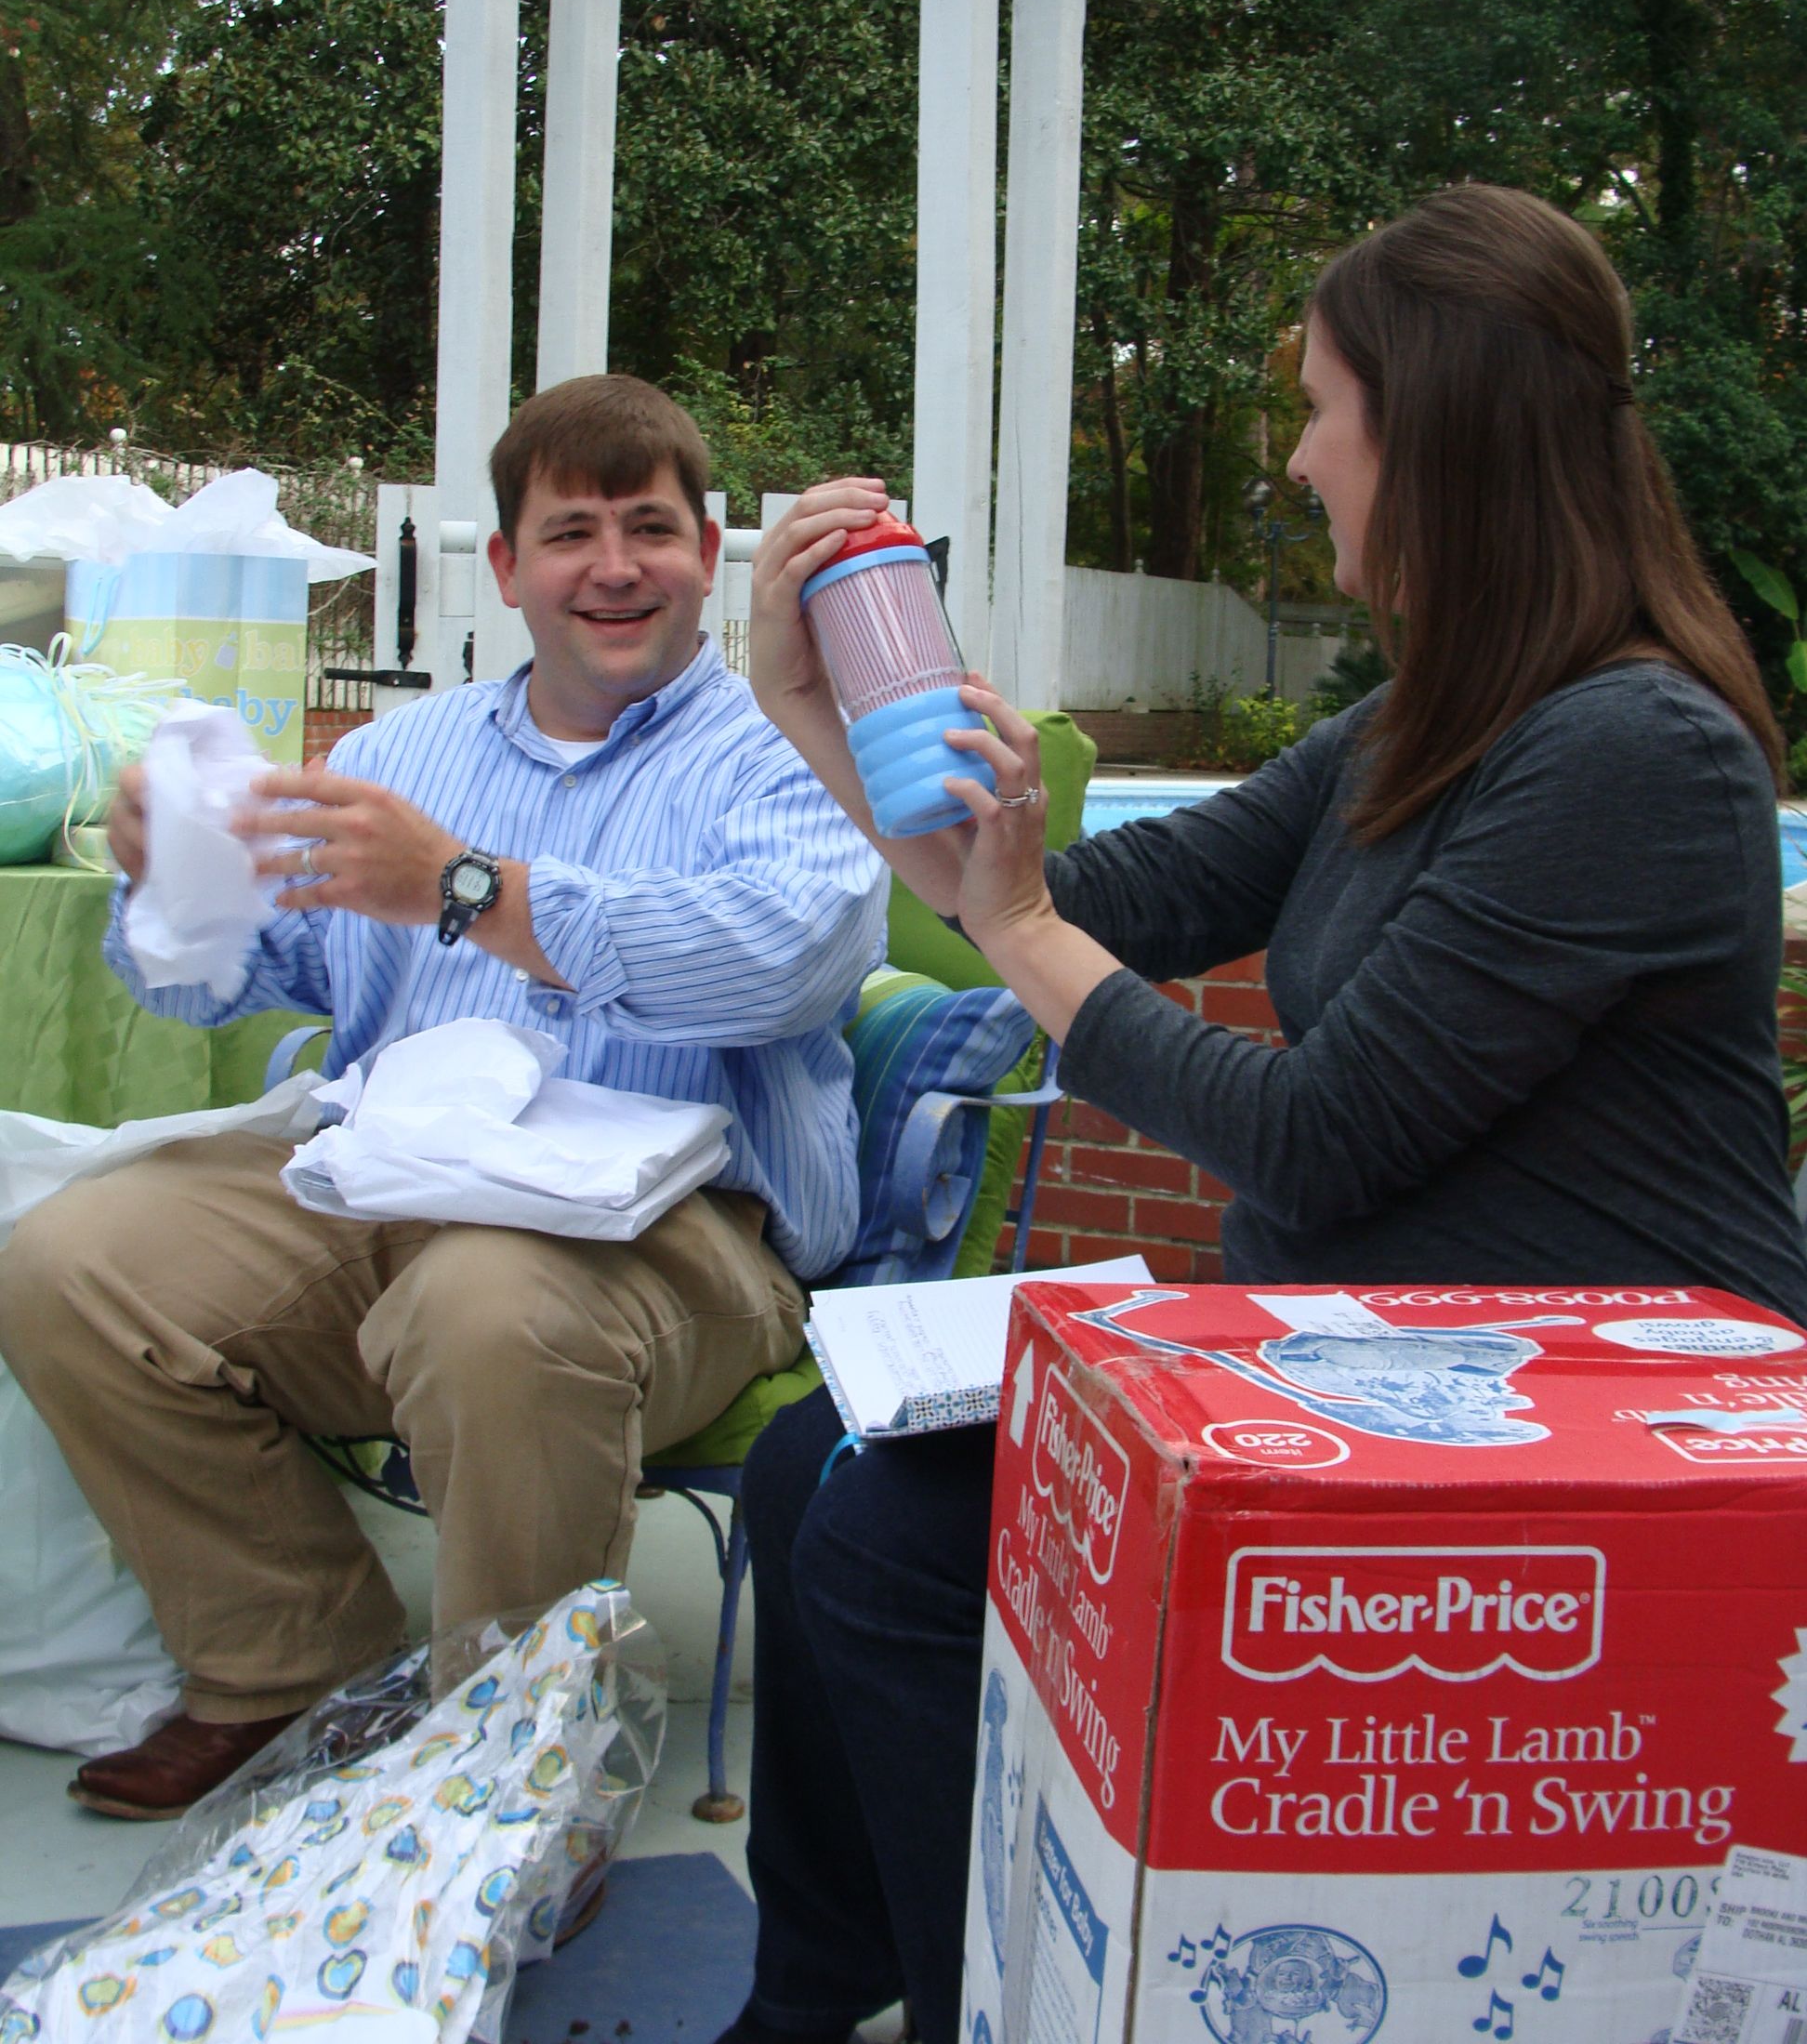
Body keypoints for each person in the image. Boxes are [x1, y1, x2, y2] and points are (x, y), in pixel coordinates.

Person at [713, 185, 1807, 2044]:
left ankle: (1015, 2009)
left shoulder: (1636, 749)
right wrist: (815, 710)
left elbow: (1306, 1133)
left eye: (1320, 407)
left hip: (1572, 1411)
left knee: (898, 1545)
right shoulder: (1418, 723)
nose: (1298, 458)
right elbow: (1071, 910)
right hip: (1367, 1368)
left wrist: (1027, 918)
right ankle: (826, 1995)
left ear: (1435, 426)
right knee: (807, 1464)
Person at [0, 373, 887, 1826]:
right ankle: (289, 1661)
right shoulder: (404, 756)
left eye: (650, 529)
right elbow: (239, 975)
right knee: (70, 1264)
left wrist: (470, 890)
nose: (613, 567)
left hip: (674, 1233)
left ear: (706, 553)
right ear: (507, 568)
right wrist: (172, 876)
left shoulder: (781, 753)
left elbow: (781, 968)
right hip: (390, 1177)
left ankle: (513, 1766)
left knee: (487, 1307)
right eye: (572, 532)